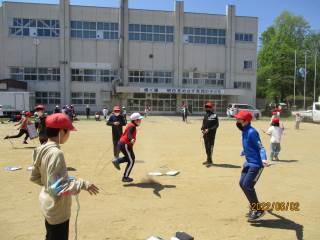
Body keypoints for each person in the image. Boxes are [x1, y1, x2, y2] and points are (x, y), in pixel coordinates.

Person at [30, 113, 99, 240]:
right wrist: (82, 184)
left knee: (50, 235)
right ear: (62, 131)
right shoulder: (57, 153)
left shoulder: (40, 149)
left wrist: (52, 182)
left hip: (46, 203)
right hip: (57, 210)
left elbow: (35, 177)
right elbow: (59, 188)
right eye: (69, 131)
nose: (69, 135)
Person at [234, 110, 269, 222]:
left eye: (239, 119)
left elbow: (260, 147)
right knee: (242, 184)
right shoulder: (244, 130)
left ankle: (259, 210)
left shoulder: (252, 132)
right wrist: (244, 151)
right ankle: (254, 207)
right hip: (248, 162)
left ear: (246, 120)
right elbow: (249, 145)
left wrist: (263, 159)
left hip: (256, 165)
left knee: (247, 185)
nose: (237, 120)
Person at [112, 112, 143, 182]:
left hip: (124, 144)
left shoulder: (131, 124)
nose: (140, 121)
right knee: (131, 160)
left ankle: (117, 161)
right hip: (125, 144)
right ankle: (125, 177)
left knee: (131, 158)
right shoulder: (132, 126)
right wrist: (131, 138)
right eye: (139, 119)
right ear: (135, 120)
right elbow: (129, 133)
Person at [201, 101, 219, 166]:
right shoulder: (205, 115)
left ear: (211, 108)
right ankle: (208, 160)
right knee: (206, 148)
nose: (207, 108)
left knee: (210, 148)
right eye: (206, 107)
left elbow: (216, 125)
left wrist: (209, 130)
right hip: (205, 135)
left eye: (208, 107)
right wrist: (202, 129)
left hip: (211, 135)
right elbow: (204, 123)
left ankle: (210, 160)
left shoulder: (214, 115)